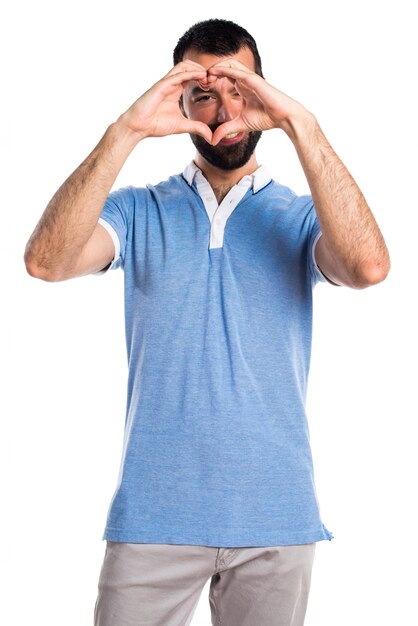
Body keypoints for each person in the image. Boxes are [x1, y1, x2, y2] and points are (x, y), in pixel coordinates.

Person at [24, 18, 390, 626]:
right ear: (180, 102)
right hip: (153, 517)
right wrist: (125, 131)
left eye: (240, 90)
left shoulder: (300, 218)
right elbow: (46, 261)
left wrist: (303, 125)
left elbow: (368, 266)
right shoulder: (138, 211)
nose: (224, 111)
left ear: (263, 94)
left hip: (276, 520)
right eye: (204, 94)